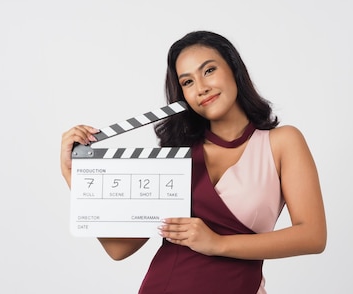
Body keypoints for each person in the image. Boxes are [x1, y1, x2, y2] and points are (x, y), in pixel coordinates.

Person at [60, 30, 326, 294]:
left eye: (209, 71)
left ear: (234, 69)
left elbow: (313, 236)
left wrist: (217, 243)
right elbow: (119, 249)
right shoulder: (174, 157)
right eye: (187, 82)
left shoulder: (282, 142)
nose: (201, 88)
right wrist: (77, 178)